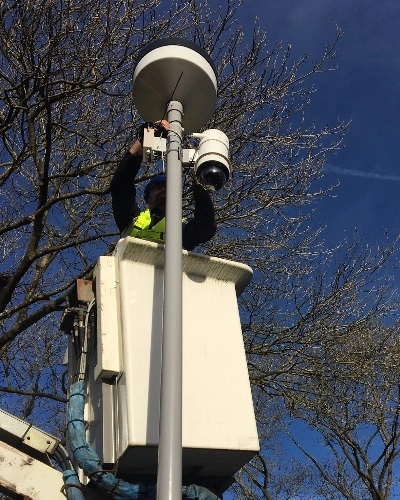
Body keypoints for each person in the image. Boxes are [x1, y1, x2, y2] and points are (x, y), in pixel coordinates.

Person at [110, 121, 216, 251]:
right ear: (148, 198)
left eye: (168, 188)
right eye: (157, 187)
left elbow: (206, 227)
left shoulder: (182, 228)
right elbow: (120, 186)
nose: (163, 190)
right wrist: (143, 141)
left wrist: (197, 180)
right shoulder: (131, 221)